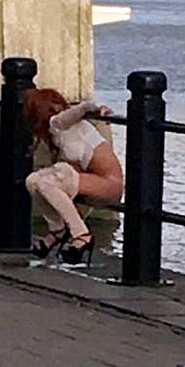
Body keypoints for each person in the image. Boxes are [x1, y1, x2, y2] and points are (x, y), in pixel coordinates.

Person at [23, 89, 124, 265]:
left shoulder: (58, 122)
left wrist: (97, 108)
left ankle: (82, 235)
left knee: (49, 181)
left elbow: (81, 108)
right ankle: (57, 230)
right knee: (32, 181)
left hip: (109, 183)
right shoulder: (60, 132)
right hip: (90, 179)